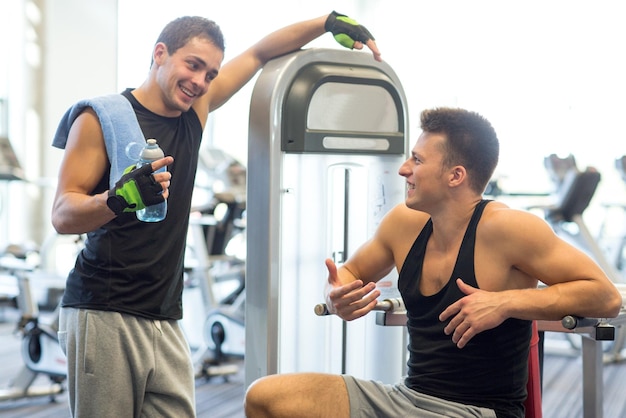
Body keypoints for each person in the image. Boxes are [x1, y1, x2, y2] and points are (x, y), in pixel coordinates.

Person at [50, 11, 380, 418]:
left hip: (165, 315)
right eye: (192, 65)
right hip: (104, 311)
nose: (200, 81)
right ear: (160, 54)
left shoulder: (195, 110)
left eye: (210, 74)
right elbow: (63, 213)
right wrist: (115, 200)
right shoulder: (101, 118)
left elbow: (260, 52)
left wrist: (328, 22)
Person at [243, 107, 623, 418]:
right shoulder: (403, 224)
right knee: (267, 397)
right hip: (405, 401)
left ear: (455, 175)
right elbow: (351, 272)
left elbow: (605, 296)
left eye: (418, 160)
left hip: (478, 411)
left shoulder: (509, 229)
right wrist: (337, 293)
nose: (404, 169)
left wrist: (506, 302)